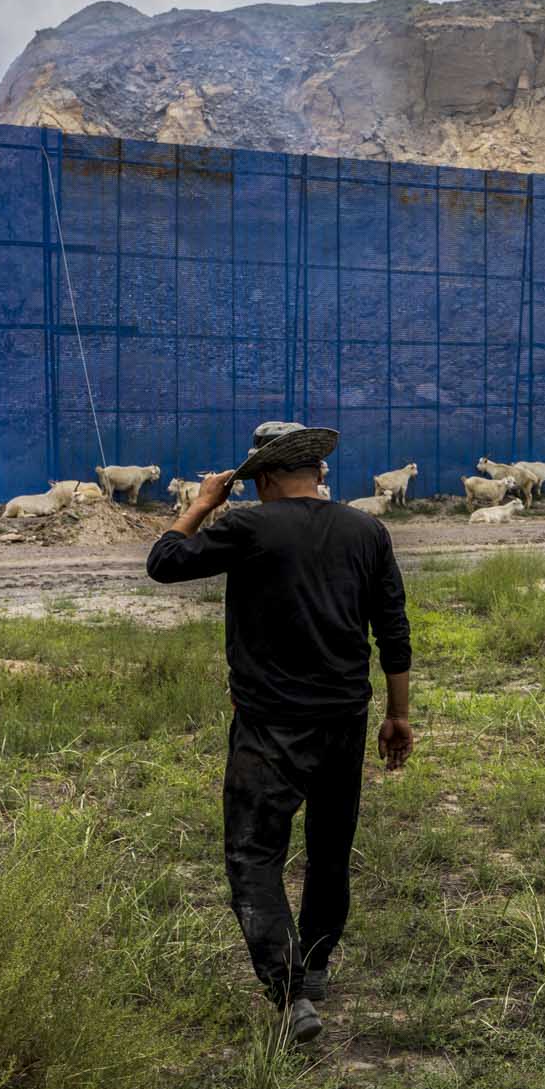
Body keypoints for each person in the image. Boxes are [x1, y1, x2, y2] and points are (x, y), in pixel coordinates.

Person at [145, 421, 415, 1044]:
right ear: (318, 471)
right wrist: (398, 716)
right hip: (344, 722)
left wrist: (202, 505)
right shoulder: (368, 531)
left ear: (261, 477)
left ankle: (290, 995)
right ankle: (316, 966)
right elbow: (393, 632)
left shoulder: (245, 527)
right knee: (328, 852)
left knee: (254, 856)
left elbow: (163, 563)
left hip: (268, 729)